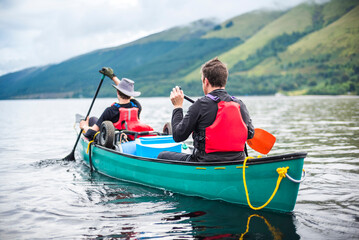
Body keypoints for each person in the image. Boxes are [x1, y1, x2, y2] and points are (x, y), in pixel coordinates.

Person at [158, 58, 254, 162]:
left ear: (206, 81)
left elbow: (178, 136)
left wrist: (177, 107)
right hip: (237, 162)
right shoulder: (240, 104)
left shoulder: (200, 105)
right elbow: (250, 134)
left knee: (162, 155)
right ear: (224, 80)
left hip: (204, 163)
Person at [80, 67, 153, 140]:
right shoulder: (137, 106)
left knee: (92, 122)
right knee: (93, 119)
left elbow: (92, 131)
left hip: (115, 140)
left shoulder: (110, 111)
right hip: (131, 136)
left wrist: (84, 126)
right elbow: (127, 94)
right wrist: (112, 76)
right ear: (131, 94)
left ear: (117, 91)